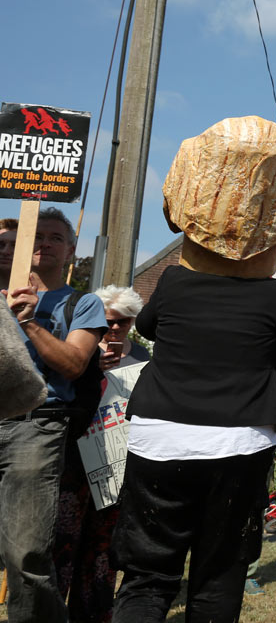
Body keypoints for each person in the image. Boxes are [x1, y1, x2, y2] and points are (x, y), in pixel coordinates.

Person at [112, 116, 276, 622]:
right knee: (217, 576)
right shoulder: (275, 296)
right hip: (238, 444)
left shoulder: (175, 283)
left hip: (159, 436)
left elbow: (151, 328)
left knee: (146, 578)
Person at [2, 208, 106, 623]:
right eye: (37, 236)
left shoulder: (83, 303)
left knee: (25, 552)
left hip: (36, 426)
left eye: (55, 237)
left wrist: (29, 322)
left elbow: (74, 364)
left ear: (70, 250)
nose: (44, 243)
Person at [53, 285, 148, 623]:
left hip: (116, 466)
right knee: (62, 545)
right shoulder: (72, 352)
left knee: (102, 552)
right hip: (73, 460)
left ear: (133, 322)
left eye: (122, 322)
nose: (113, 329)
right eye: (107, 321)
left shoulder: (144, 359)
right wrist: (93, 368)